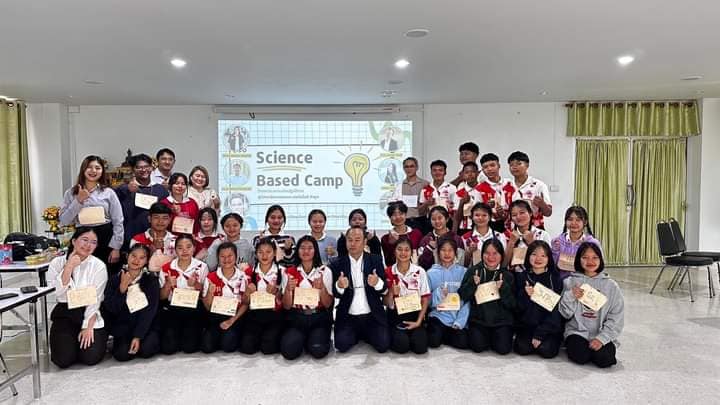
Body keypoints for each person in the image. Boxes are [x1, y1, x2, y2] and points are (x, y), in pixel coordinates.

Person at [47, 227, 109, 368]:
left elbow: (96, 299)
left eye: (93, 242)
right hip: (65, 311)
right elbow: (57, 293)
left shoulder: (98, 266)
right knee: (63, 360)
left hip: (89, 311)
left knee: (90, 357)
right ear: (74, 241)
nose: (88, 245)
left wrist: (87, 326)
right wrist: (69, 267)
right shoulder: (57, 263)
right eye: (84, 240)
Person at [560, 242, 624, 368]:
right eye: (585, 257)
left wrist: (602, 338)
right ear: (578, 260)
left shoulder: (611, 286)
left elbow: (617, 316)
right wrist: (571, 296)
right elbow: (564, 314)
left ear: (601, 259)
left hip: (600, 332)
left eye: (595, 257)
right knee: (580, 356)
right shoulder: (570, 282)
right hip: (577, 332)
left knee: (605, 359)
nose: (590, 261)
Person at [330, 226, 390, 353]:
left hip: (372, 315)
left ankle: (365, 334)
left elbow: (385, 289)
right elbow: (335, 294)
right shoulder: (337, 263)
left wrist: (377, 283)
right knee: (341, 345)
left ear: (365, 242)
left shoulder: (375, 260)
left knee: (383, 345)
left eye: (357, 240)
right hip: (349, 316)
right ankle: (359, 334)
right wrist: (339, 286)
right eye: (350, 240)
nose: (353, 244)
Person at [59, 155, 124, 270]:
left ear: (102, 171)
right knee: (77, 272)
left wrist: (116, 247)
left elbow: (118, 221)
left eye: (97, 168)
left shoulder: (109, 193)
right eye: (89, 167)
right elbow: (64, 221)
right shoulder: (71, 193)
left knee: (105, 274)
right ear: (83, 169)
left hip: (105, 238)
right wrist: (78, 200)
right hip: (82, 237)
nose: (93, 171)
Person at [102, 244, 160, 361]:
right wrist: (122, 289)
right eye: (133, 256)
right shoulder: (115, 279)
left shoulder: (151, 280)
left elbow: (150, 311)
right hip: (123, 325)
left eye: (142, 258)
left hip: (145, 325)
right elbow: (111, 308)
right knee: (122, 355)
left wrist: (138, 336)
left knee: (146, 350)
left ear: (147, 261)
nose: (136, 260)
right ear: (127, 256)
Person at [280, 236, 334, 359]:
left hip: (318, 317)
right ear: (297, 251)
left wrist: (322, 289)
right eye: (302, 248)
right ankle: (302, 338)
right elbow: (286, 306)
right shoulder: (289, 272)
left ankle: (316, 338)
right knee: (289, 352)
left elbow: (328, 304)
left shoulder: (325, 271)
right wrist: (288, 290)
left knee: (318, 351)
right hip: (296, 318)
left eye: (310, 248)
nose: (306, 251)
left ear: (315, 251)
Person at [459, 239, 515, 354]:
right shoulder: (473, 271)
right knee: (477, 347)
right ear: (482, 254)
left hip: (501, 321)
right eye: (487, 253)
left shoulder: (507, 275)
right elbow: (463, 295)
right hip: (479, 320)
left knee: (503, 349)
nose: (491, 257)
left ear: (501, 255)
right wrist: (472, 284)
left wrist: (503, 289)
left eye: (495, 253)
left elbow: (513, 305)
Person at [158, 235, 208, 354]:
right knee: (168, 349)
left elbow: (205, 294)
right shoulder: (167, 268)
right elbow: (162, 297)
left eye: (188, 247)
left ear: (194, 248)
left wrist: (196, 284)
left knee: (189, 348)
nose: (184, 251)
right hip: (173, 308)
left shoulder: (201, 266)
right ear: (175, 250)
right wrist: (168, 285)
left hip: (194, 308)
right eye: (180, 248)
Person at [513, 241, 563, 358]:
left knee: (547, 350)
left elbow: (556, 311)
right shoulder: (521, 277)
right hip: (527, 326)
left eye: (543, 255)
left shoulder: (555, 279)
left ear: (549, 258)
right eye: (534, 254)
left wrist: (540, 334)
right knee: (522, 348)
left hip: (548, 327)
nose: (538, 259)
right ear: (528, 256)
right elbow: (517, 308)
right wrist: (526, 295)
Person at [200, 242, 250, 353]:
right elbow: (208, 307)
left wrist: (232, 320)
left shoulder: (243, 277)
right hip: (215, 317)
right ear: (218, 258)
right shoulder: (211, 277)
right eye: (222, 256)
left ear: (236, 257)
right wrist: (210, 293)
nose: (226, 259)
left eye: (230, 256)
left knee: (228, 346)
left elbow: (245, 303)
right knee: (207, 347)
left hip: (235, 317)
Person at [384, 238, 431, 354]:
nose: (403, 253)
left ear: (411, 252)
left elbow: (425, 298)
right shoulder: (388, 272)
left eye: (406, 250)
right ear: (394, 251)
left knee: (420, 348)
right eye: (399, 249)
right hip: (395, 316)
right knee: (402, 346)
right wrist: (391, 292)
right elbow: (385, 303)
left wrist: (419, 321)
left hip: (415, 315)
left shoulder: (420, 271)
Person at [240, 237, 285, 355]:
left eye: (268, 252)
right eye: (260, 252)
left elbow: (286, 302)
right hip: (254, 314)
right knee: (247, 348)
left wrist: (277, 294)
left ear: (274, 253)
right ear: (256, 254)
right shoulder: (248, 272)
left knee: (268, 348)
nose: (264, 256)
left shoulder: (283, 271)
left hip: (275, 315)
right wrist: (247, 293)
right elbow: (244, 301)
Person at [114, 153, 169, 251]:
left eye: (147, 166)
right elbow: (114, 214)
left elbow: (166, 215)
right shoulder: (123, 189)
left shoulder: (161, 190)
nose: (143, 170)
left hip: (155, 239)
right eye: (139, 167)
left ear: (152, 168)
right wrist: (127, 190)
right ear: (133, 170)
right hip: (130, 239)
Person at [426, 237, 470, 349]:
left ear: (455, 253)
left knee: (463, 342)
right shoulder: (431, 273)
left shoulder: (464, 272)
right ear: (438, 252)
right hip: (438, 315)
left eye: (450, 250)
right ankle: (442, 334)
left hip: (456, 316)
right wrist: (438, 293)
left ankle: (445, 334)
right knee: (433, 341)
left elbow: (468, 300)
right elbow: (427, 301)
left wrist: (460, 322)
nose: (447, 253)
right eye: (443, 250)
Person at [551, 206, 602, 279]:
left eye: (578, 220)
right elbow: (552, 265)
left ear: (585, 222)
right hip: (561, 282)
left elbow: (598, 266)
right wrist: (556, 251)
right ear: (565, 221)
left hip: (585, 282)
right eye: (570, 219)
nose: (573, 223)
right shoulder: (557, 241)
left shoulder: (593, 243)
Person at [506, 151, 552, 230]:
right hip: (513, 230)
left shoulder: (539, 185)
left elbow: (548, 213)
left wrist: (542, 204)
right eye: (511, 165)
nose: (514, 167)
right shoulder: (506, 186)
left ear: (527, 165)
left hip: (535, 229)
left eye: (518, 164)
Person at [504, 200, 551, 270]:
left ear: (530, 213)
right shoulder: (507, 235)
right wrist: (511, 243)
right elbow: (503, 264)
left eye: (522, 213)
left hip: (536, 275)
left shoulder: (542, 234)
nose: (518, 217)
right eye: (514, 215)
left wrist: (532, 242)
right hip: (514, 275)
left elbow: (549, 261)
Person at [130, 202, 177, 271]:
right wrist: (153, 249)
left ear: (170, 220)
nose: (160, 221)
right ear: (149, 219)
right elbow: (134, 265)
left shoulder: (176, 240)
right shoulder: (137, 240)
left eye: (164, 218)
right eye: (156, 217)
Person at [390, 157, 430, 234]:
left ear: (417, 167)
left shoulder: (425, 184)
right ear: (403, 168)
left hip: (421, 221)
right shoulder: (399, 185)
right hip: (405, 221)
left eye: (412, 166)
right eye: (406, 167)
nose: (409, 169)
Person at [461, 203, 507, 267]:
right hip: (474, 272)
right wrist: (469, 252)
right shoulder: (465, 238)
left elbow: (504, 260)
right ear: (472, 217)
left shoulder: (500, 236)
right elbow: (463, 264)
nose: (480, 218)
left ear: (490, 217)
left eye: (484, 215)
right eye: (477, 215)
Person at [477, 153, 514, 233]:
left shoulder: (511, 183)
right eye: (485, 167)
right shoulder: (479, 189)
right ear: (482, 170)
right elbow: (477, 211)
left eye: (492, 165)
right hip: (491, 226)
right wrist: (486, 207)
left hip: (512, 223)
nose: (489, 169)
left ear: (499, 166)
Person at [380, 201, 423, 267]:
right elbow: (388, 262)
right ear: (390, 218)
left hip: (416, 270)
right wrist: (391, 244)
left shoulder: (416, 233)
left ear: (405, 215)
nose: (398, 217)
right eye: (394, 215)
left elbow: (422, 256)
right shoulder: (385, 238)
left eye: (401, 213)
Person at [453, 161, 484, 235]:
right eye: (467, 172)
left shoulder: (484, 189)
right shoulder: (459, 193)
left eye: (472, 172)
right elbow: (456, 218)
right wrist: (462, 203)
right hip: (464, 229)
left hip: (482, 228)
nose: (470, 174)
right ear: (463, 175)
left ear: (478, 173)